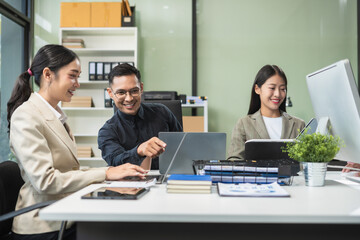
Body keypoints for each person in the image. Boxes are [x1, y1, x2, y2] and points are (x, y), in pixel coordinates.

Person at [7, 44, 146, 240]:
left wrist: (110, 176)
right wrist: (106, 172)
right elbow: (45, 181)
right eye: (72, 76)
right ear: (48, 74)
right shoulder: (26, 116)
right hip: (43, 225)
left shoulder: (56, 115)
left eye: (78, 76)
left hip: (64, 212)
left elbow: (67, 172)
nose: (77, 83)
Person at [98, 63, 182, 170]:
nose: (129, 98)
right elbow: (115, 160)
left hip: (167, 178)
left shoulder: (162, 112)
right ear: (110, 93)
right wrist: (139, 151)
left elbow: (182, 144)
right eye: (121, 92)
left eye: (134, 91)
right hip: (129, 183)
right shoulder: (107, 131)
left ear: (141, 88)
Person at [228, 65, 305, 160]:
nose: (277, 94)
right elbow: (234, 160)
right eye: (272, 88)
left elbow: (307, 162)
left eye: (282, 89)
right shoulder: (244, 124)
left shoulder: (299, 125)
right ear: (257, 89)